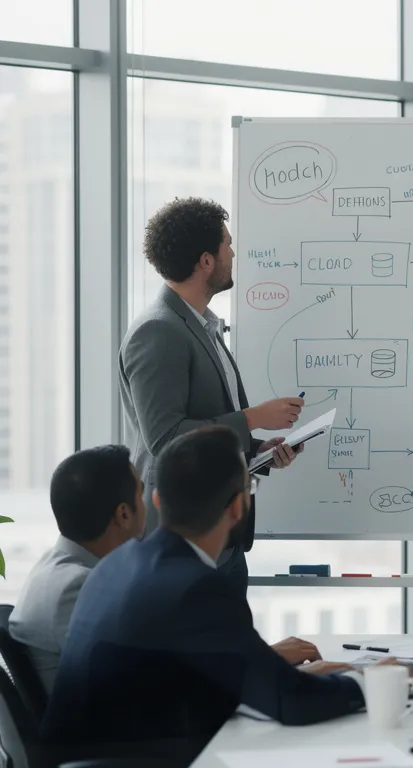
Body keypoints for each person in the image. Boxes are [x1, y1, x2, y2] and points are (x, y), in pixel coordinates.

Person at [44, 427, 372, 754]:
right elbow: (292, 702)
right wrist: (370, 681)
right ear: (238, 505)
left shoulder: (117, 564)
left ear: (157, 500)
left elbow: (183, 678)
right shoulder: (196, 586)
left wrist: (275, 676)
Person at [120, 197, 305, 594]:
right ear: (206, 261)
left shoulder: (203, 327)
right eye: (227, 245)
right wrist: (254, 418)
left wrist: (258, 450)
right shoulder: (158, 332)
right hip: (182, 540)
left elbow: (204, 428)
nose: (233, 253)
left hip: (221, 538)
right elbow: (166, 438)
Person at [9, 446, 147, 693]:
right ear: (124, 514)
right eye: (142, 492)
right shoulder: (77, 588)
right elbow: (130, 684)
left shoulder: (51, 569)